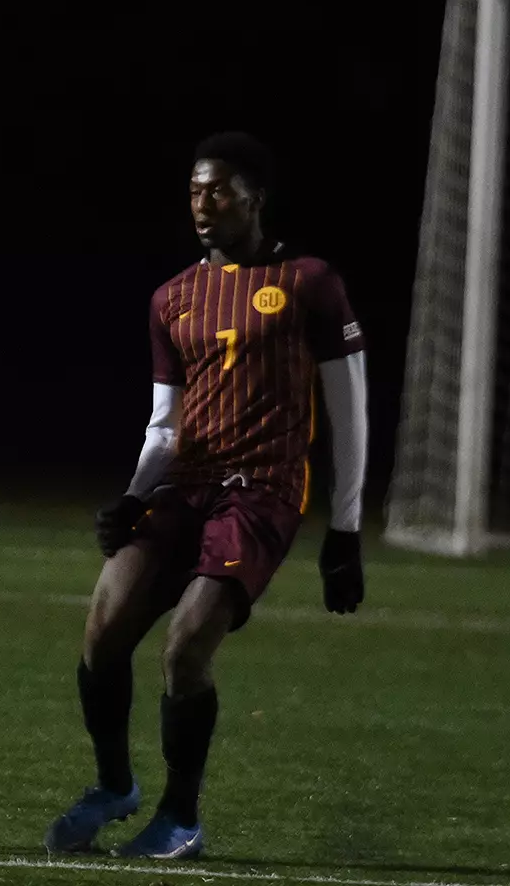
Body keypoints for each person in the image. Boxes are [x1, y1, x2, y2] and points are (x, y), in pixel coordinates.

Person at [43, 132, 368, 860]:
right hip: (186, 487)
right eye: (193, 189)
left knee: (186, 647)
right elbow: (164, 423)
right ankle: (114, 785)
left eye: (217, 188)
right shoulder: (172, 297)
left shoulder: (308, 282)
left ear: (254, 195)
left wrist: (344, 530)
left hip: (262, 494)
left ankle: (181, 816)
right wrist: (133, 498)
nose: (201, 202)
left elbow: (351, 410)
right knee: (103, 628)